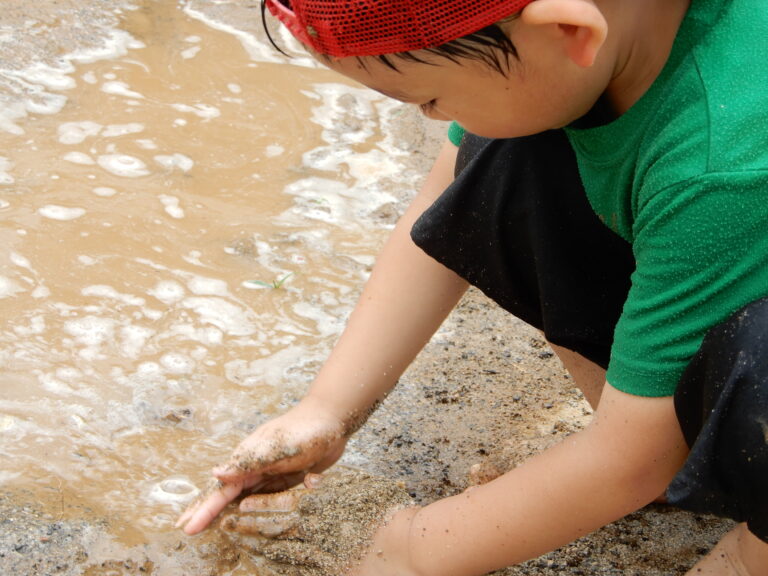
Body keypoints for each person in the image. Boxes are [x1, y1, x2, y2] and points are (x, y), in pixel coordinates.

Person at [177, 0, 768, 574]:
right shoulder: (586, 48)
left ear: (567, 28)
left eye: (429, 98)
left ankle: (751, 551)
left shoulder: (721, 166)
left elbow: (630, 461)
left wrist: (409, 548)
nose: (428, 117)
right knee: (500, 155)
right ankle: (666, 436)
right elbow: (446, 202)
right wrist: (326, 410)